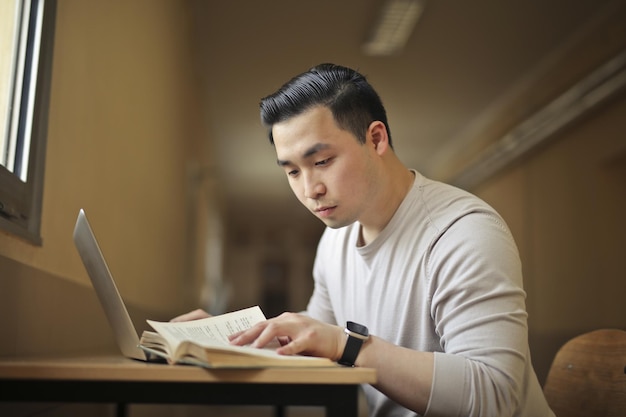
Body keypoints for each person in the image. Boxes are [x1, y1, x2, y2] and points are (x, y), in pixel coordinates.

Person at [174, 63, 555, 417]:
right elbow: (317, 337)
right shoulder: (334, 242)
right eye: (292, 171)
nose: (310, 189)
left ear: (376, 138)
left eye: (322, 162)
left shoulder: (462, 232)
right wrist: (230, 339)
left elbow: (496, 396)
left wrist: (349, 345)